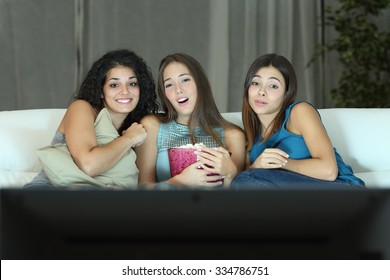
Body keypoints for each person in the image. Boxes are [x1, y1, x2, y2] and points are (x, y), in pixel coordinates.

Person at [25, 49, 158, 189]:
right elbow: (89, 165)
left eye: (132, 84)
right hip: (50, 193)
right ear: (101, 91)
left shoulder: (139, 127)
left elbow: (142, 187)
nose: (125, 91)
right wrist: (129, 139)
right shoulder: (81, 108)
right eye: (114, 85)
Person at [231, 53, 365, 189]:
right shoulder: (250, 134)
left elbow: (329, 171)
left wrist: (281, 163)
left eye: (273, 86)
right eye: (255, 83)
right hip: (298, 199)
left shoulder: (299, 112)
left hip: (342, 189)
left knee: (242, 180)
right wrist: (257, 166)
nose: (261, 91)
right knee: (243, 182)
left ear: (286, 94)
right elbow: (252, 181)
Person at [135, 52, 246, 189]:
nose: (178, 90)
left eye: (185, 80)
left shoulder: (233, 135)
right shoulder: (153, 126)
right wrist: (180, 181)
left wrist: (230, 174)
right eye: (169, 85)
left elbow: (236, 202)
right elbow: (142, 189)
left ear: (200, 83)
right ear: (164, 94)